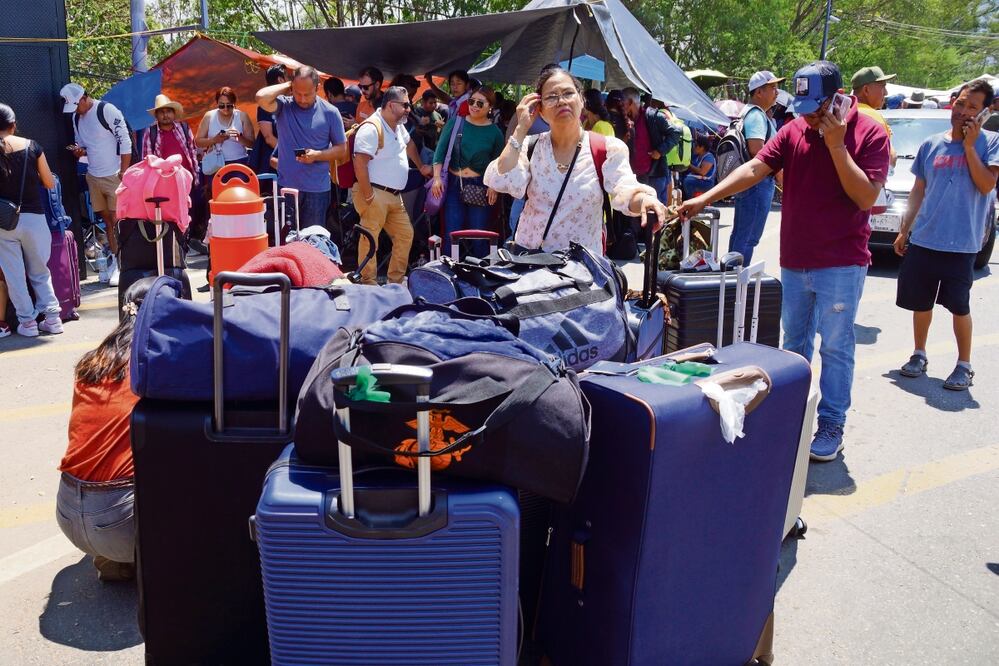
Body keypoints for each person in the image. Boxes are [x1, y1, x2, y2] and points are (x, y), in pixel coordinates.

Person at [679, 61, 890, 463]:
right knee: (793, 346)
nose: (810, 116)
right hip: (795, 260)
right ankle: (793, 412)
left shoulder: (869, 132)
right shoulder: (795, 129)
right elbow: (756, 167)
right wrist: (706, 198)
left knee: (837, 347)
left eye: (817, 106)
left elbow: (866, 198)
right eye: (805, 107)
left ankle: (831, 422)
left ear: (839, 97)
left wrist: (837, 144)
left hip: (841, 263)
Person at [484, 66, 668, 254]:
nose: (561, 101)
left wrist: (644, 200)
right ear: (540, 110)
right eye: (551, 96)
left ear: (581, 100)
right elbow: (500, 179)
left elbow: (625, 189)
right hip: (531, 263)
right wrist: (521, 128)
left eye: (568, 93)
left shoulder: (607, 149)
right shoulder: (530, 147)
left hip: (580, 269)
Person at [894, 79, 999, 391]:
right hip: (925, 238)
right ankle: (919, 354)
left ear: (986, 112)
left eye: (972, 107)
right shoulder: (931, 144)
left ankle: (964, 365)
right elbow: (918, 191)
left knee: (959, 305)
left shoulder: (991, 143)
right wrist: (905, 229)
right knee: (920, 302)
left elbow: (986, 185)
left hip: (962, 243)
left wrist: (968, 146)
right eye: (961, 103)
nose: (963, 111)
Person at [56, 279, 151, 582]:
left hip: (68, 509)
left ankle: (114, 558)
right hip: (118, 518)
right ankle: (142, 557)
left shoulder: (92, 362)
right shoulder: (155, 364)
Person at [351, 86, 433, 285]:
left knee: (405, 235)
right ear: (390, 105)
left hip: (394, 196)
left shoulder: (397, 125)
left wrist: (421, 166)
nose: (408, 109)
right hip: (375, 193)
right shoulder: (372, 127)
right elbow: (359, 162)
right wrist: (369, 195)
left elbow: (410, 145)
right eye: (405, 105)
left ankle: (394, 284)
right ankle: (367, 284)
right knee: (370, 240)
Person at [256, 66, 349, 230]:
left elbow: (342, 149)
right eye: (298, 93)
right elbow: (261, 97)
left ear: (317, 88)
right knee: (287, 241)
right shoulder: (284, 106)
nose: (303, 99)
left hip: (317, 191)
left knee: (312, 242)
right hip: (287, 187)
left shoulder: (331, 112)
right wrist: (288, 85)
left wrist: (317, 155)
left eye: (308, 94)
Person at [0, 103, 61, 337]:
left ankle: (28, 324)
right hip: (34, 217)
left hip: (4, 222)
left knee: (14, 274)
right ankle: (53, 319)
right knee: (39, 271)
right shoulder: (32, 146)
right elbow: (49, 182)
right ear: (13, 124)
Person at [61, 83, 131, 286]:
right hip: (93, 175)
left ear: (84, 97)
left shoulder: (106, 110)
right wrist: (79, 151)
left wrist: (125, 171)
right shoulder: (76, 117)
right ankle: (116, 260)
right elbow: (82, 143)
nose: (75, 111)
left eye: (76, 105)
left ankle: (123, 263)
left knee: (119, 220)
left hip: (114, 174)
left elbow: (124, 140)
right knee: (108, 221)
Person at [431, 86, 506, 257]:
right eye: (471, 101)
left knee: (479, 235)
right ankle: (448, 273)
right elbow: (439, 153)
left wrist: (493, 185)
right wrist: (437, 178)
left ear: (490, 107)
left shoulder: (495, 133)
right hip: (453, 183)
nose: (474, 106)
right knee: (452, 232)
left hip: (480, 186)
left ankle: (478, 275)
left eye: (480, 103)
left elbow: (499, 163)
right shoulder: (456, 123)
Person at [727, 70, 783, 264]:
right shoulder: (757, 115)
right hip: (758, 183)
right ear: (759, 92)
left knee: (741, 234)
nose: (777, 91)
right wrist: (779, 174)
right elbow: (757, 149)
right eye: (773, 87)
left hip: (752, 183)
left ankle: (731, 279)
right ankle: (737, 281)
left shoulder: (751, 113)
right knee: (748, 237)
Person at [140, 94, 202, 250]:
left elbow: (192, 151)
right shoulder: (151, 132)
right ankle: (178, 242)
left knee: (191, 210)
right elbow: (147, 159)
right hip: (166, 181)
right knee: (172, 213)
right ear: (157, 115)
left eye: (168, 111)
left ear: (174, 113)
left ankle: (189, 239)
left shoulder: (184, 127)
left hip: (186, 177)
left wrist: (195, 173)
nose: (165, 115)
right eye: (161, 112)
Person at [620, 88, 682, 209]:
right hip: (635, 178)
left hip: (654, 176)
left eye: (623, 103)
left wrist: (660, 151)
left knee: (655, 216)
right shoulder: (628, 121)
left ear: (631, 102)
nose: (622, 107)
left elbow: (675, 133)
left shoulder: (653, 117)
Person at [195, 87, 255, 171]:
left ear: (234, 103)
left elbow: (252, 144)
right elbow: (198, 142)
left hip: (239, 162)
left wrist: (239, 137)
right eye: (222, 105)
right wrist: (214, 140)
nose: (225, 109)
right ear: (217, 103)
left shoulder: (242, 116)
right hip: (215, 163)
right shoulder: (209, 116)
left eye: (229, 105)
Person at [852, 66, 897, 165]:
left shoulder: (843, 110)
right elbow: (890, 160)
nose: (886, 93)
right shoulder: (874, 117)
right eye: (883, 86)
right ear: (866, 90)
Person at [256, 64, 287, 177]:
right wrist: (288, 153)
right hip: (270, 163)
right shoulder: (264, 106)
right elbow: (269, 138)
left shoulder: (289, 103)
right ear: (280, 79)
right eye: (287, 78)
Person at [412, 90, 447, 161]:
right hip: (420, 152)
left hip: (434, 151)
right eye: (430, 103)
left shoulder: (438, 115)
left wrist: (443, 127)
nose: (433, 105)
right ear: (423, 102)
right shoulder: (416, 113)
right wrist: (421, 124)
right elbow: (413, 132)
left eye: (435, 102)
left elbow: (440, 134)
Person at [681, 134, 716, 200]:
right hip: (698, 180)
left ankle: (690, 201)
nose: (694, 147)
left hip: (706, 183)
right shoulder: (696, 156)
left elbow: (702, 172)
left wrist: (688, 165)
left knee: (688, 181)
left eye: (696, 145)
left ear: (702, 147)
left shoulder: (709, 157)